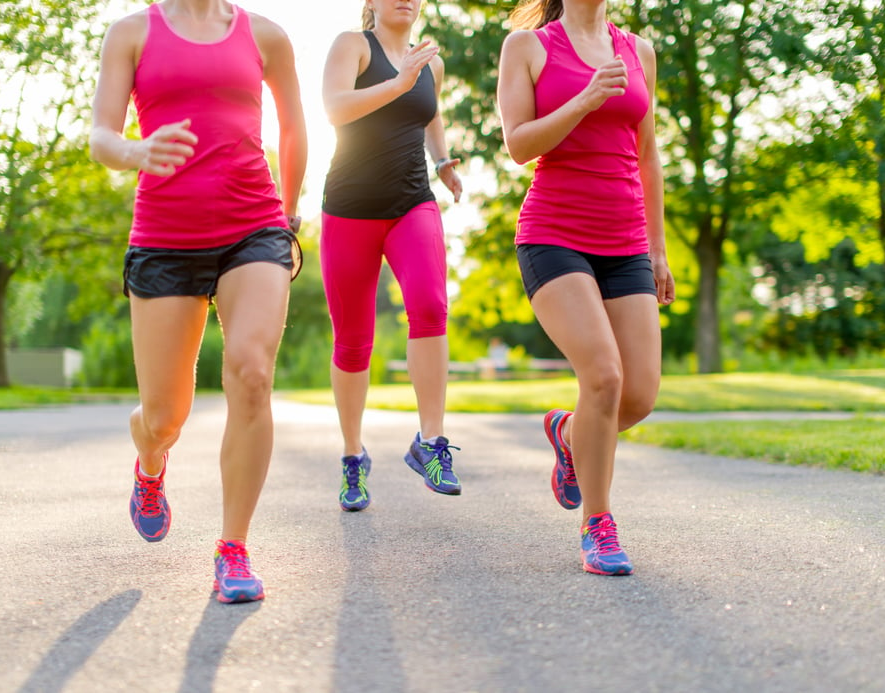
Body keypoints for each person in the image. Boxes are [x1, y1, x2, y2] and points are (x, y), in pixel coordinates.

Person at [89, 0, 307, 603]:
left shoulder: (266, 35)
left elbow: (292, 125)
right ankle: (150, 463)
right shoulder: (132, 33)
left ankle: (232, 550)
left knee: (252, 373)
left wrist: (288, 213)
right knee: (165, 418)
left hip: (253, 228)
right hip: (164, 238)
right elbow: (101, 135)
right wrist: (135, 151)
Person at [497, 0, 675, 575]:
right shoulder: (528, 48)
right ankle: (597, 526)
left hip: (625, 243)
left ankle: (568, 432)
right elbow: (520, 145)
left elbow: (648, 156)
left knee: (639, 395)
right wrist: (585, 98)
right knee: (603, 376)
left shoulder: (639, 50)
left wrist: (658, 248)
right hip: (554, 236)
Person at [320, 0, 464, 511]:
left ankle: (430, 442)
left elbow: (430, 114)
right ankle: (353, 457)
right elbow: (335, 108)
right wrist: (398, 82)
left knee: (430, 305)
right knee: (354, 340)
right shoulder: (352, 46)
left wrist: (443, 161)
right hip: (349, 209)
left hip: (412, 202)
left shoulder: (432, 61)